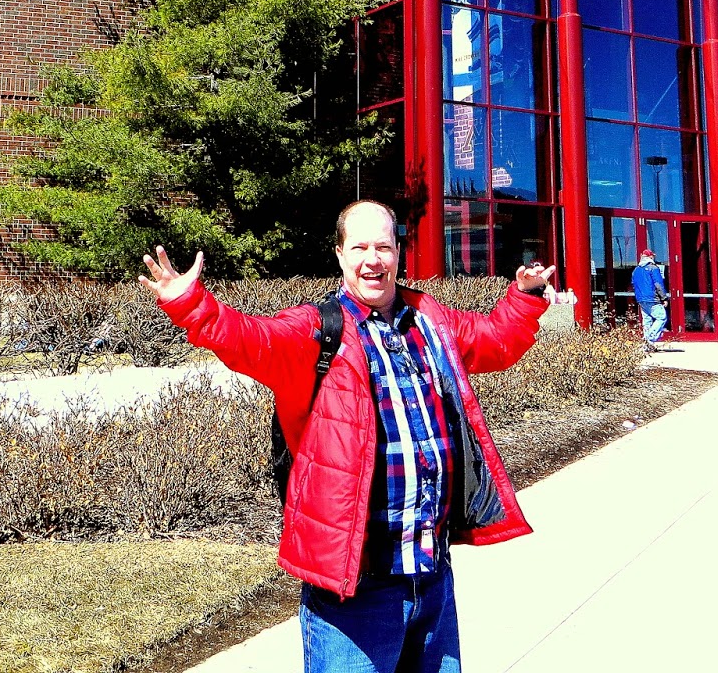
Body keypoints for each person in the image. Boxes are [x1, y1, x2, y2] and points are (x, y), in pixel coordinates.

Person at [139, 199, 552, 673]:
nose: (373, 260)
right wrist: (190, 303)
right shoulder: (319, 330)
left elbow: (494, 341)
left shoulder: (429, 318)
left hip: (431, 574)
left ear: (398, 252)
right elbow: (252, 340)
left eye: (384, 247)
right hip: (355, 588)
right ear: (339, 254)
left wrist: (525, 296)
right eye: (359, 247)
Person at [631, 249, 670, 353]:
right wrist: (664, 298)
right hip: (652, 298)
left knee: (647, 320)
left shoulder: (636, 270)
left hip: (641, 299)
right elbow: (658, 284)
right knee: (661, 317)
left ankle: (647, 344)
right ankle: (650, 339)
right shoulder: (653, 268)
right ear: (650, 257)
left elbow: (633, 284)